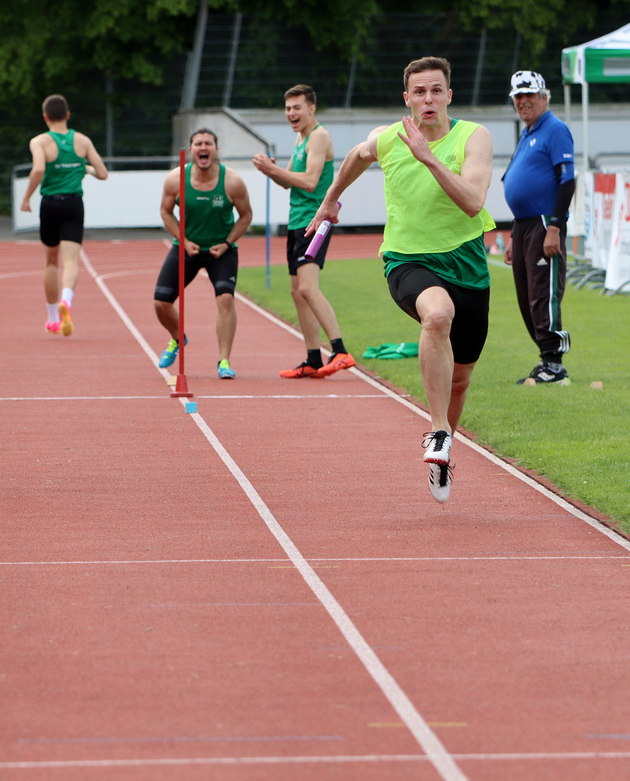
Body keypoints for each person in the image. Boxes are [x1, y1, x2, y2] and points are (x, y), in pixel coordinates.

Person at [308, 57, 495, 503]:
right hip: (407, 261)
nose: (427, 99)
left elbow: (473, 202)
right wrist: (332, 200)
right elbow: (356, 156)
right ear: (406, 98)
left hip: (467, 266)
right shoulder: (389, 138)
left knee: (462, 379)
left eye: (436, 91)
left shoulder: (475, 137)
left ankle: (444, 449)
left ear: (449, 95)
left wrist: (428, 158)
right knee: (437, 316)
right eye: (419, 92)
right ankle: (435, 433)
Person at [252, 85, 355, 379]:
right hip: (298, 221)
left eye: (297, 107)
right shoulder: (300, 138)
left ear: (311, 109)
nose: (291, 114)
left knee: (308, 288)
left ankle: (340, 351)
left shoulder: (319, 136)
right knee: (298, 293)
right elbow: (289, 182)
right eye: (287, 108)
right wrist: (272, 171)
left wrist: (274, 172)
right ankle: (312, 357)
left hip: (315, 221)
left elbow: (310, 181)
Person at [154, 129, 252, 378]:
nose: (203, 147)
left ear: (215, 150)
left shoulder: (232, 181)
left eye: (208, 143)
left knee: (226, 300)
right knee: (161, 302)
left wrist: (228, 243)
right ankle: (177, 338)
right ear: (191, 151)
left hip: (221, 250)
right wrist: (183, 240)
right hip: (187, 248)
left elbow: (246, 215)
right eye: (198, 143)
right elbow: (166, 212)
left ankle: (224, 361)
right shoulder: (175, 179)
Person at [500, 71, 575, 384]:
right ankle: (545, 359)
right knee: (526, 294)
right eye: (518, 95)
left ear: (544, 97)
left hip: (545, 222)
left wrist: (555, 226)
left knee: (542, 293)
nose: (523, 101)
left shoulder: (555, 129)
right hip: (525, 225)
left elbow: (567, 180)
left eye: (529, 94)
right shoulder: (528, 131)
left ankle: (554, 364)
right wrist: (513, 234)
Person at [20, 94, 109, 336]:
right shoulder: (82, 141)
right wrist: (85, 168)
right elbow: (103, 173)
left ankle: (52, 319)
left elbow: (39, 168)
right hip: (73, 205)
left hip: (50, 204)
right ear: (68, 115)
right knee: (71, 261)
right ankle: (66, 300)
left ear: (46, 117)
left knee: (50, 262)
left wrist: (27, 197)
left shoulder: (40, 142)